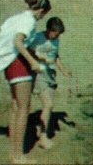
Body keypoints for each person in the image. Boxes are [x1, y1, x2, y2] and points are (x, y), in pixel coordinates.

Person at [0, 0, 52, 164]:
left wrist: (35, 56)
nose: (42, 18)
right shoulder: (29, 22)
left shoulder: (18, 17)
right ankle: (18, 155)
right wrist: (33, 62)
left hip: (11, 65)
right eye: (43, 15)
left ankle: (14, 152)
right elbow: (18, 42)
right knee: (23, 109)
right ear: (41, 11)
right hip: (19, 65)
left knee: (15, 107)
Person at [28, 17, 72, 150]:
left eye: (58, 34)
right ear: (49, 30)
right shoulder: (38, 38)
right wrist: (39, 57)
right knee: (48, 104)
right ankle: (43, 137)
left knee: (49, 107)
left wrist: (63, 70)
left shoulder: (56, 40)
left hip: (50, 74)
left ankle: (41, 130)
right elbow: (28, 52)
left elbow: (55, 55)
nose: (57, 36)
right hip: (39, 73)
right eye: (56, 33)